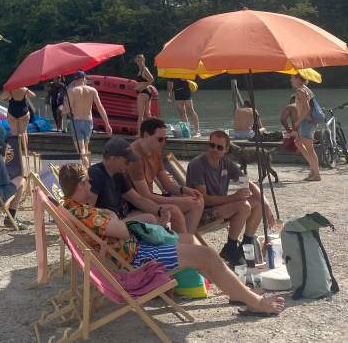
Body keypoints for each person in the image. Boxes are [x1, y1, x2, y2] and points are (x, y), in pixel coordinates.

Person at [58, 163, 285, 317]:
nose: (90, 185)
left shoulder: (72, 208)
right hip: (136, 261)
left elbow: (113, 223)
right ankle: (255, 302)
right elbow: (122, 232)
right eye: (87, 182)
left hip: (132, 253)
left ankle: (234, 289)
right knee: (205, 254)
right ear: (79, 185)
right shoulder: (82, 212)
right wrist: (116, 218)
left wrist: (114, 218)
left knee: (189, 238)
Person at [187, 131, 276, 268]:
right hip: (202, 213)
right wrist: (233, 197)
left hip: (222, 207)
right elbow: (204, 200)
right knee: (243, 206)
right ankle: (231, 247)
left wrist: (266, 205)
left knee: (257, 203)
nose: (214, 150)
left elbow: (247, 183)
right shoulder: (197, 165)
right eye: (212, 145)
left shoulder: (226, 163)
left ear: (226, 150)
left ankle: (245, 245)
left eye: (219, 147)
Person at [127, 118, 204, 233]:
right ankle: (184, 242)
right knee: (194, 204)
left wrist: (184, 189)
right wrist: (181, 201)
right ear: (146, 135)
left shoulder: (154, 151)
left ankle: (185, 239)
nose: (163, 142)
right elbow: (144, 196)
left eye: (165, 139)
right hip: (135, 205)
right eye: (160, 139)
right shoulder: (135, 157)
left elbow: (167, 184)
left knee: (197, 200)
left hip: (148, 199)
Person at [87, 137, 173, 228]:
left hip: (116, 219)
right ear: (113, 159)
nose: (129, 164)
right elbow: (88, 208)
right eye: (127, 161)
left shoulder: (117, 173)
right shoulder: (96, 174)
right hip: (105, 224)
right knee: (150, 218)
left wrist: (159, 210)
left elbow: (137, 199)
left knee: (155, 215)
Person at [61, 70, 112, 166]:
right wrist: (107, 124)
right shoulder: (92, 90)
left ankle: (87, 173)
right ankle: (88, 170)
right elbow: (100, 108)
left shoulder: (72, 91)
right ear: (84, 79)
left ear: (75, 80)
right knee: (86, 148)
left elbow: (66, 110)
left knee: (81, 151)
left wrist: (61, 108)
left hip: (76, 121)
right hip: (89, 122)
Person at [291, 74, 320, 181]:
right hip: (307, 121)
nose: (291, 80)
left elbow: (307, 109)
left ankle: (316, 174)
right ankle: (313, 170)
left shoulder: (300, 91)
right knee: (298, 142)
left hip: (305, 122)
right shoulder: (306, 89)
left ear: (299, 79)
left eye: (292, 77)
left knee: (310, 149)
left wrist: (298, 121)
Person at [133, 54, 155, 135]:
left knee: (140, 115)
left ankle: (139, 133)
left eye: (141, 60)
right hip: (146, 93)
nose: (139, 61)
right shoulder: (140, 70)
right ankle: (153, 131)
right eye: (138, 60)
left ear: (144, 60)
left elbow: (152, 79)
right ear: (135, 61)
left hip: (143, 93)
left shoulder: (144, 69)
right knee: (148, 113)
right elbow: (145, 81)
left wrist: (142, 86)